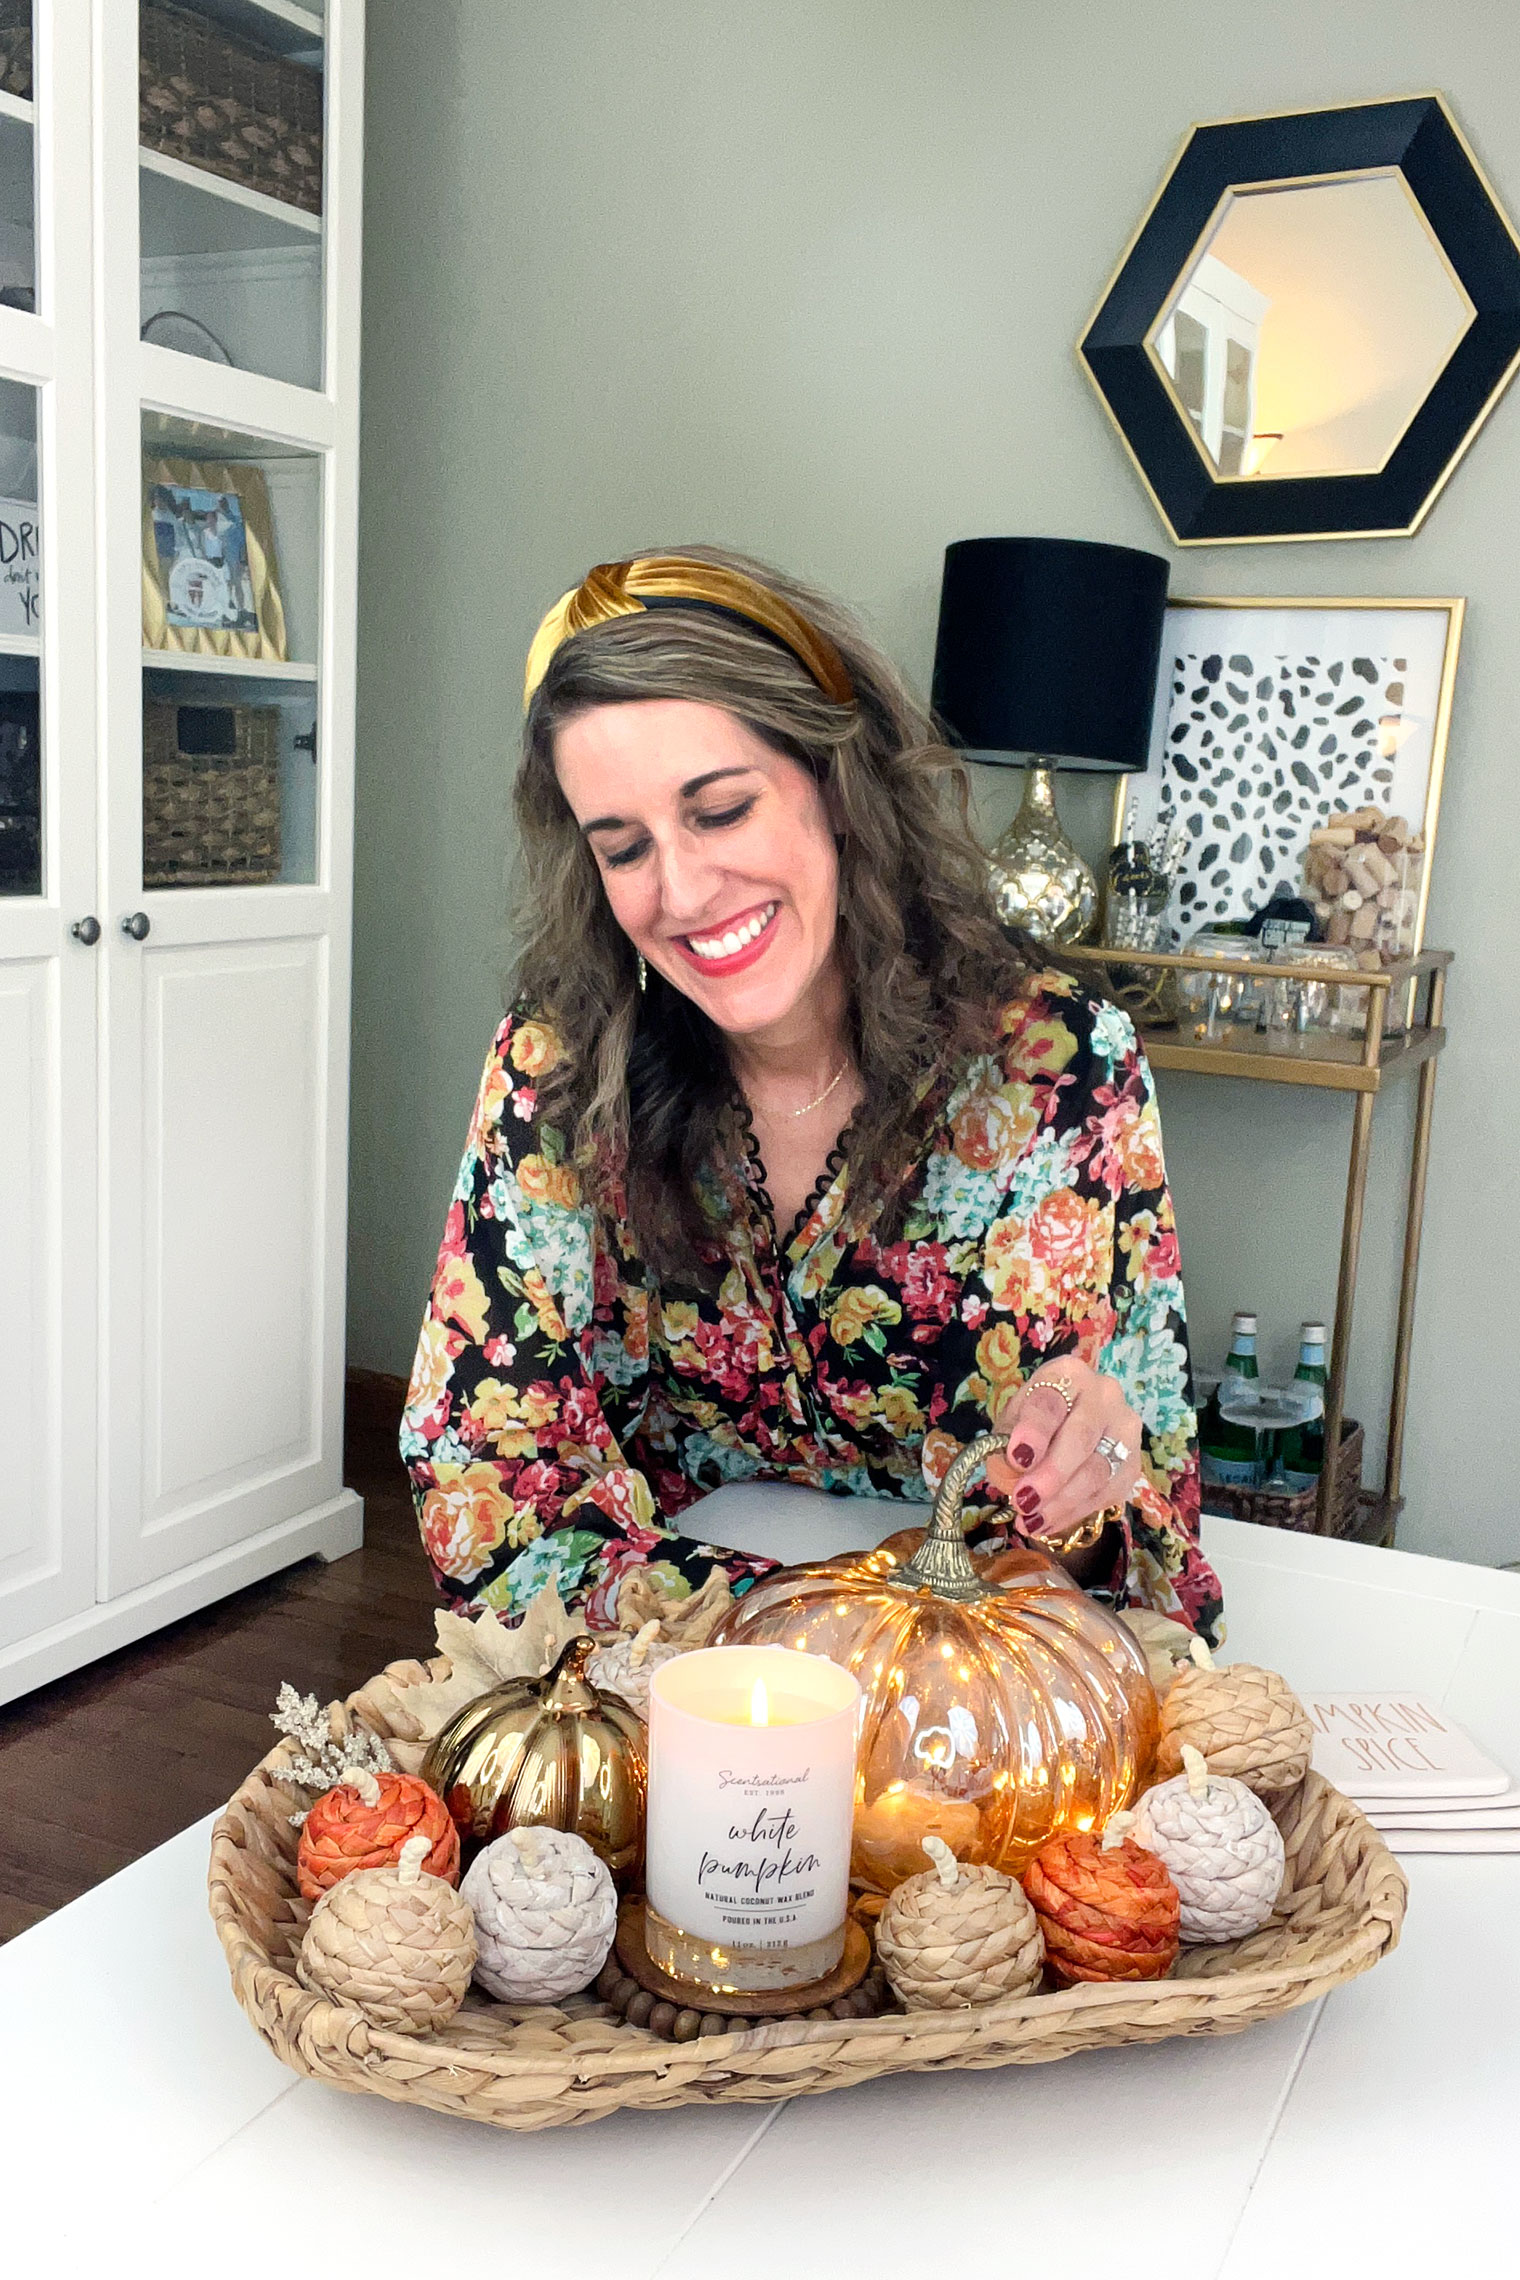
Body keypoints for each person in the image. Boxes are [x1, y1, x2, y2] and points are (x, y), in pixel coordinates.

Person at [402, 549, 1223, 1644]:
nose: (681, 892)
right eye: (624, 846)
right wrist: (816, 1632)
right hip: (671, 1701)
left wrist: (1092, 1475)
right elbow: (485, 1495)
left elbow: (1133, 1568)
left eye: (720, 810)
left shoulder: (1054, 1065)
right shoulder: (556, 1065)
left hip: (960, 1721)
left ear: (835, 785)